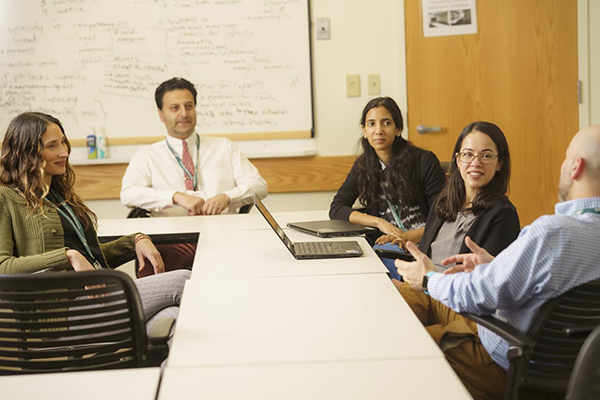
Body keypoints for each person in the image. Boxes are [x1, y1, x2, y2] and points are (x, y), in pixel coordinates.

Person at [394, 125, 600, 399]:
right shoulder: (558, 237)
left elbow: (480, 295)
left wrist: (428, 279)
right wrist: (495, 265)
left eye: (565, 157)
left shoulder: (551, 234)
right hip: (575, 371)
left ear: (576, 167)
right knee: (396, 298)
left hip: (504, 361)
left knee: (404, 345)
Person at [0, 112, 190, 335]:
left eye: (63, 142)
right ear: (27, 153)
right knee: (184, 280)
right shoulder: (6, 197)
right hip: (64, 310)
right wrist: (67, 255)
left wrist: (135, 240)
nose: (64, 152)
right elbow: (3, 266)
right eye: (52, 146)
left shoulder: (61, 196)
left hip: (98, 297)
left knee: (171, 323)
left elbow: (91, 260)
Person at [120, 77, 268, 217]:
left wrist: (228, 197)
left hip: (223, 232)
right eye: (175, 108)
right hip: (170, 237)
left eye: (189, 106)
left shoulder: (224, 147)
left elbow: (259, 186)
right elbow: (128, 194)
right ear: (161, 114)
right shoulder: (147, 155)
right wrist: (175, 197)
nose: (184, 113)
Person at [329, 97, 446, 274]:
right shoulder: (364, 165)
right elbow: (337, 208)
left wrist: (403, 237)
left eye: (386, 123)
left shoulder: (423, 161)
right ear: (364, 130)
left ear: (398, 129)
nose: (378, 131)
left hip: (425, 242)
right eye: (371, 124)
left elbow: (441, 217)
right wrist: (379, 222)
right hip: (389, 245)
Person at [417, 121, 520, 272]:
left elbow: (482, 284)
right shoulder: (443, 201)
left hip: (448, 293)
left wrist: (425, 282)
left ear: (500, 163)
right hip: (422, 287)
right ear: (458, 160)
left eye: (486, 156)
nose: (476, 163)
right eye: (468, 154)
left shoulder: (504, 215)